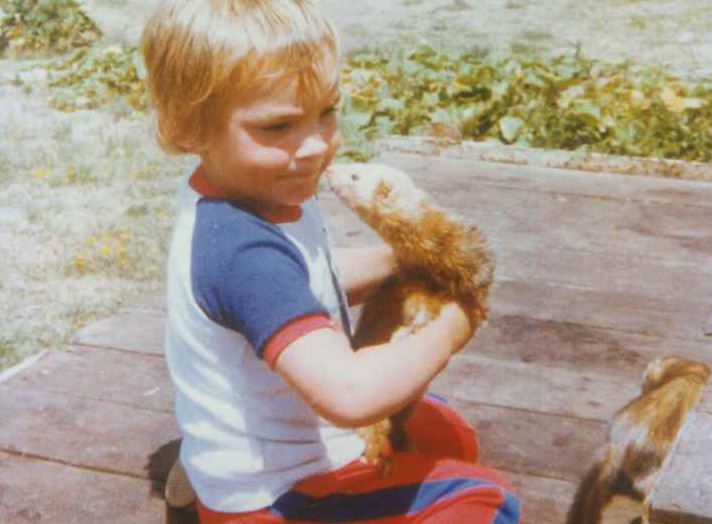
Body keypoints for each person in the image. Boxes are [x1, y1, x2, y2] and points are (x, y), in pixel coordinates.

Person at [141, 1, 522, 522]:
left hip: (271, 452)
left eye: (327, 112)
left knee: (444, 430)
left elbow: (305, 279)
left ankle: (200, 481)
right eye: (278, 126)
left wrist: (405, 257)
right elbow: (351, 395)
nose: (316, 145)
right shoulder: (240, 250)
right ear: (190, 128)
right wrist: (459, 319)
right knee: (487, 500)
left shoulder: (261, 191)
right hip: (281, 495)